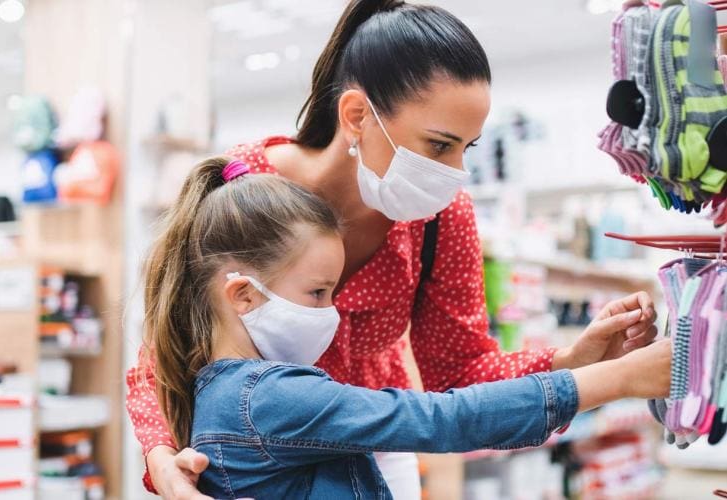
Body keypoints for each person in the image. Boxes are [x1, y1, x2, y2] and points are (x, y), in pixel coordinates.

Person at [127, 2, 660, 497]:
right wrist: (159, 455)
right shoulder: (246, 187)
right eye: (438, 145)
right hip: (265, 456)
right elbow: (171, 340)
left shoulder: (439, 216)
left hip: (384, 442)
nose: (455, 173)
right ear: (357, 116)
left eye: (466, 148)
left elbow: (460, 374)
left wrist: (569, 362)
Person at [139, 156, 671, 499]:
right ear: (244, 295)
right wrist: (620, 380)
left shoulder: (222, 391)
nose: (332, 311)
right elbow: (443, 419)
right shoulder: (269, 397)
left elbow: (457, 375)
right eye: (319, 293)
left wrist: (571, 362)